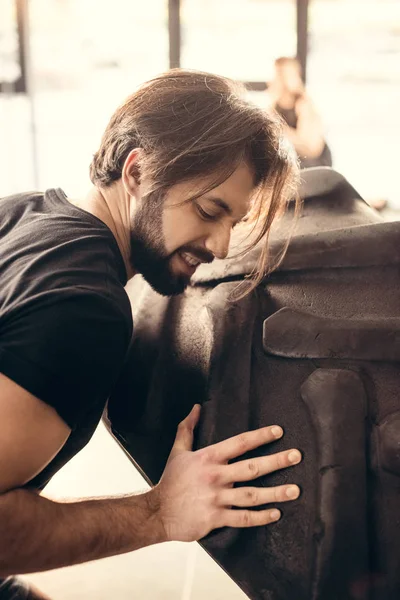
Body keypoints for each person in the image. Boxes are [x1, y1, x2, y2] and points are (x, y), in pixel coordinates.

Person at [0, 69, 302, 599]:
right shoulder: (84, 310)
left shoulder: (23, 214)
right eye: (210, 211)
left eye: (234, 221)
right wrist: (159, 513)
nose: (223, 246)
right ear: (137, 172)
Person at [267, 56, 333, 169]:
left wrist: (281, 131)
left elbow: (312, 149)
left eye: (278, 76)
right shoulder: (273, 105)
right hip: (291, 164)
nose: (272, 81)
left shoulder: (303, 104)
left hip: (312, 165)